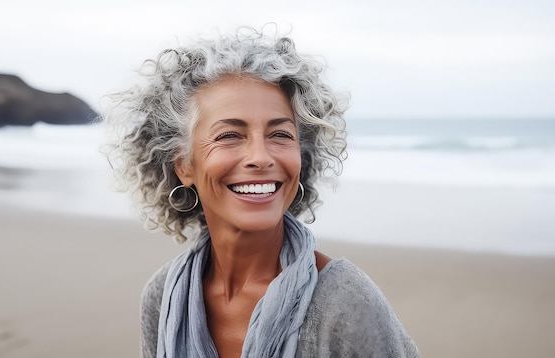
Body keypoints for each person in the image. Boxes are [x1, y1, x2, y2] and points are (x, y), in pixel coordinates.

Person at [103, 26, 419, 358]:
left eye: (280, 134)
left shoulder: (344, 301)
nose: (261, 157)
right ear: (184, 165)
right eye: (229, 135)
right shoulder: (164, 295)